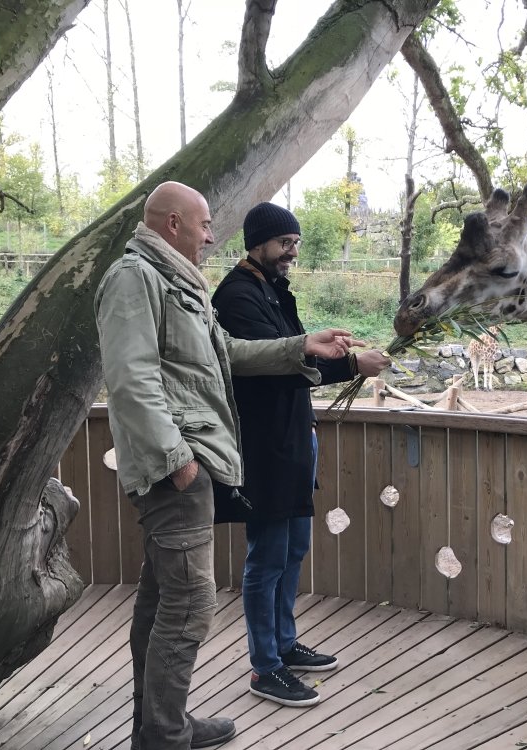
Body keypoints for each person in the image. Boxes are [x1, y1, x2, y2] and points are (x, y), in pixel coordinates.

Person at [94, 182, 360, 749]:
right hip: (177, 466)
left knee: (161, 600)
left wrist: (302, 345)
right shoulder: (133, 278)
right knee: (190, 604)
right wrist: (177, 459)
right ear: (172, 224)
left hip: (195, 459)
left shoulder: (179, 284)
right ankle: (164, 736)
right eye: (205, 224)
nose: (213, 235)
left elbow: (231, 353)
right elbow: (131, 377)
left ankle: (160, 724)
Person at [212, 202, 390, 707]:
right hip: (262, 444)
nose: (293, 250)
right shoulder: (237, 295)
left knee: (292, 549)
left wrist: (329, 348)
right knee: (265, 556)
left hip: (293, 438)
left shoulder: (273, 290)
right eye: (284, 242)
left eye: (296, 241)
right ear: (258, 242)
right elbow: (278, 364)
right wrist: (354, 363)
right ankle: (264, 667)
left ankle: (285, 645)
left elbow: (298, 350)